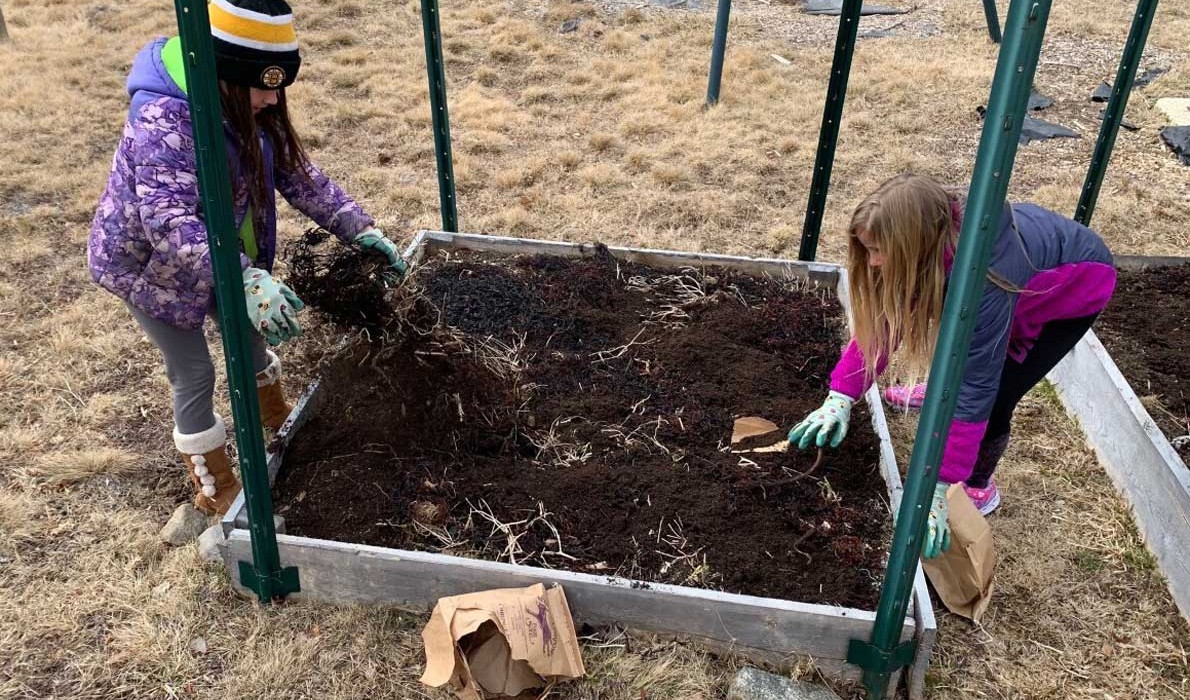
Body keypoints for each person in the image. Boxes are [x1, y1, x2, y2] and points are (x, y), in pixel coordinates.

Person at [88, 0, 405, 516]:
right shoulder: (163, 118)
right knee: (194, 372)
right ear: (223, 77)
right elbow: (167, 221)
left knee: (251, 337)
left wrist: (360, 229)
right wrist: (244, 278)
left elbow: (300, 175)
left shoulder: (249, 104)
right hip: (151, 268)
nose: (274, 97)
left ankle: (276, 423)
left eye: (280, 84)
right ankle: (217, 490)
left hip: (220, 255)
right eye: (263, 84)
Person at [787, 173, 1115, 558]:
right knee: (963, 347)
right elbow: (885, 324)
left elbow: (978, 385)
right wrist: (840, 396)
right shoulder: (927, 248)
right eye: (867, 250)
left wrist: (939, 486)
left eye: (879, 251)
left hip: (1068, 293)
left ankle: (980, 485)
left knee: (998, 390)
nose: (872, 262)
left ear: (914, 244)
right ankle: (939, 389)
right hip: (1018, 277)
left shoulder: (984, 281)